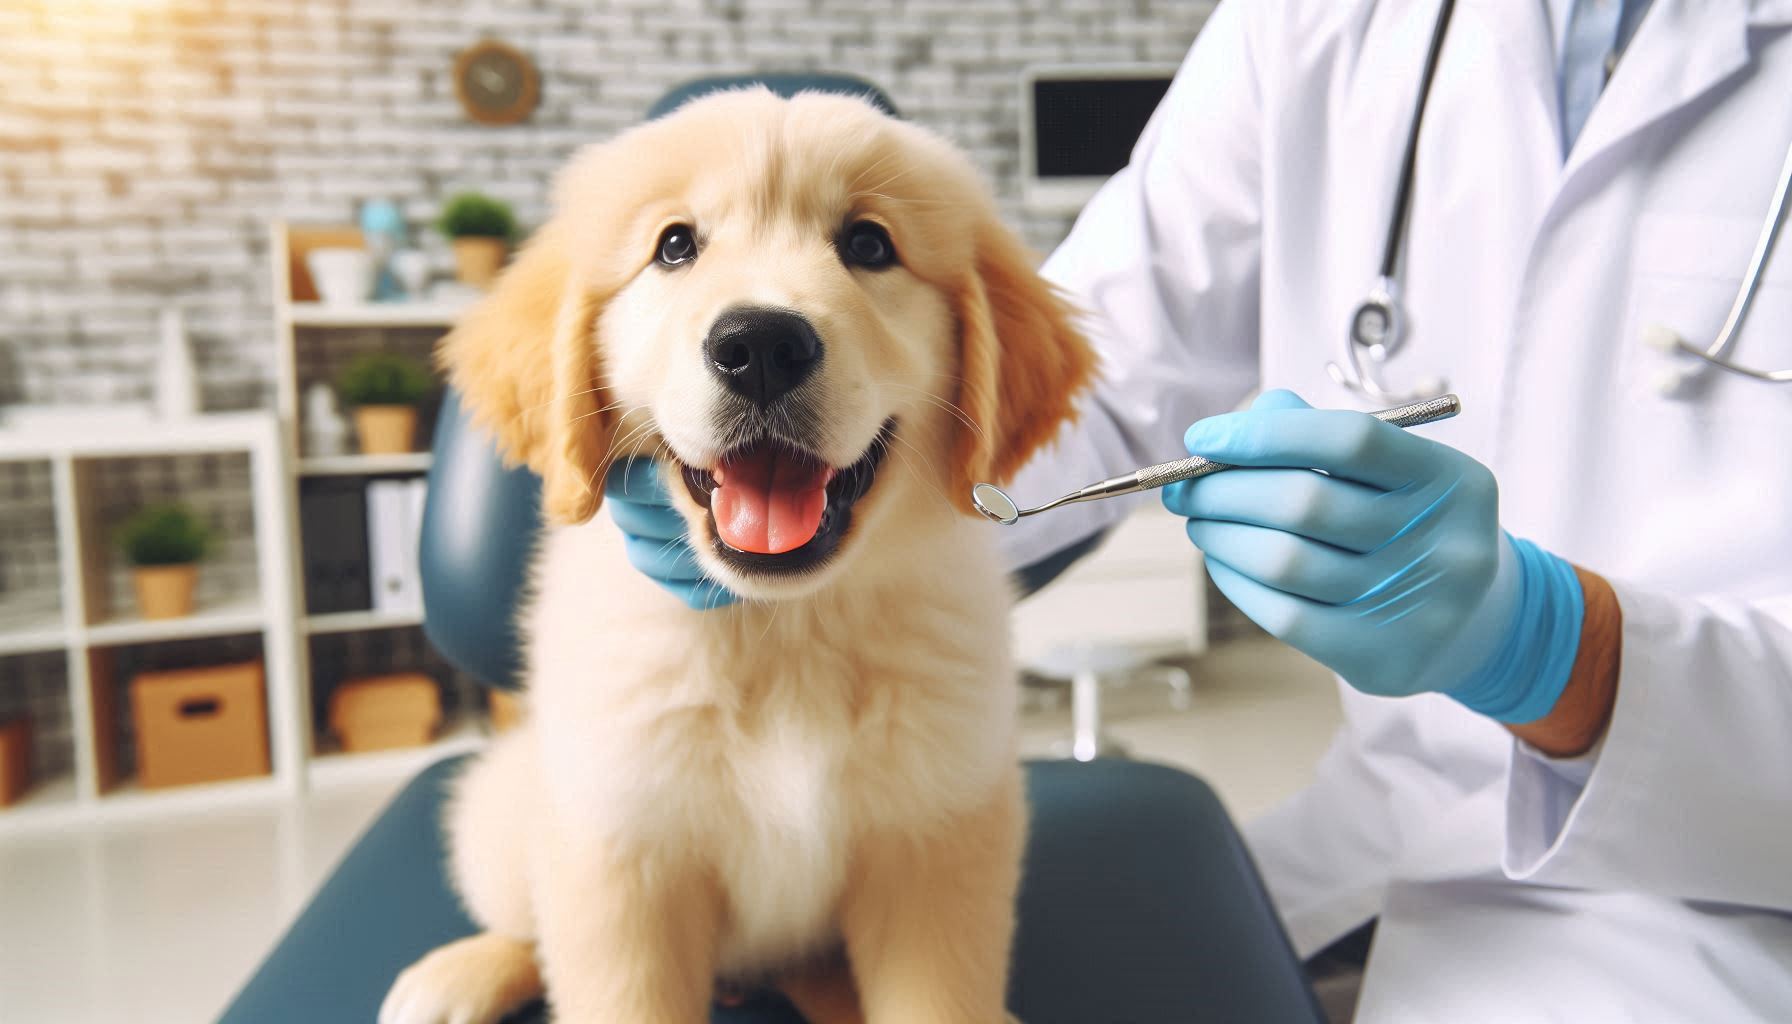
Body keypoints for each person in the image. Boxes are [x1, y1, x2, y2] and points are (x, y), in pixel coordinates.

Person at [606, 0, 1792, 1018]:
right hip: (1383, 823)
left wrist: (1555, 649)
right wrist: (842, 466)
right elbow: (1101, 360)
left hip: (1721, 885)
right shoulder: (1325, 21)